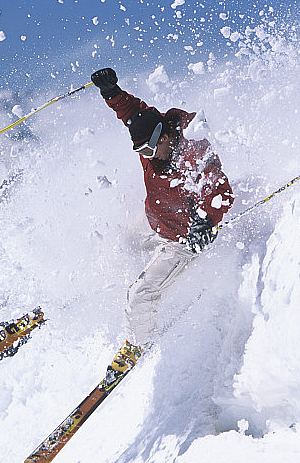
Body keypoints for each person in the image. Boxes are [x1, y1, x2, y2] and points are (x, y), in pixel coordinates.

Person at [91, 67, 234, 350]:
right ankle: (111, 289)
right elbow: (133, 113)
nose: (145, 157)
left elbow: (220, 191)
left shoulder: (194, 156)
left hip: (183, 240)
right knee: (120, 242)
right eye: (140, 152)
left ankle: (140, 346)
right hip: (157, 225)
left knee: (140, 295)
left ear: (164, 138)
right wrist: (111, 92)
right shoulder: (154, 148)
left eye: (147, 150)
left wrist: (206, 222)